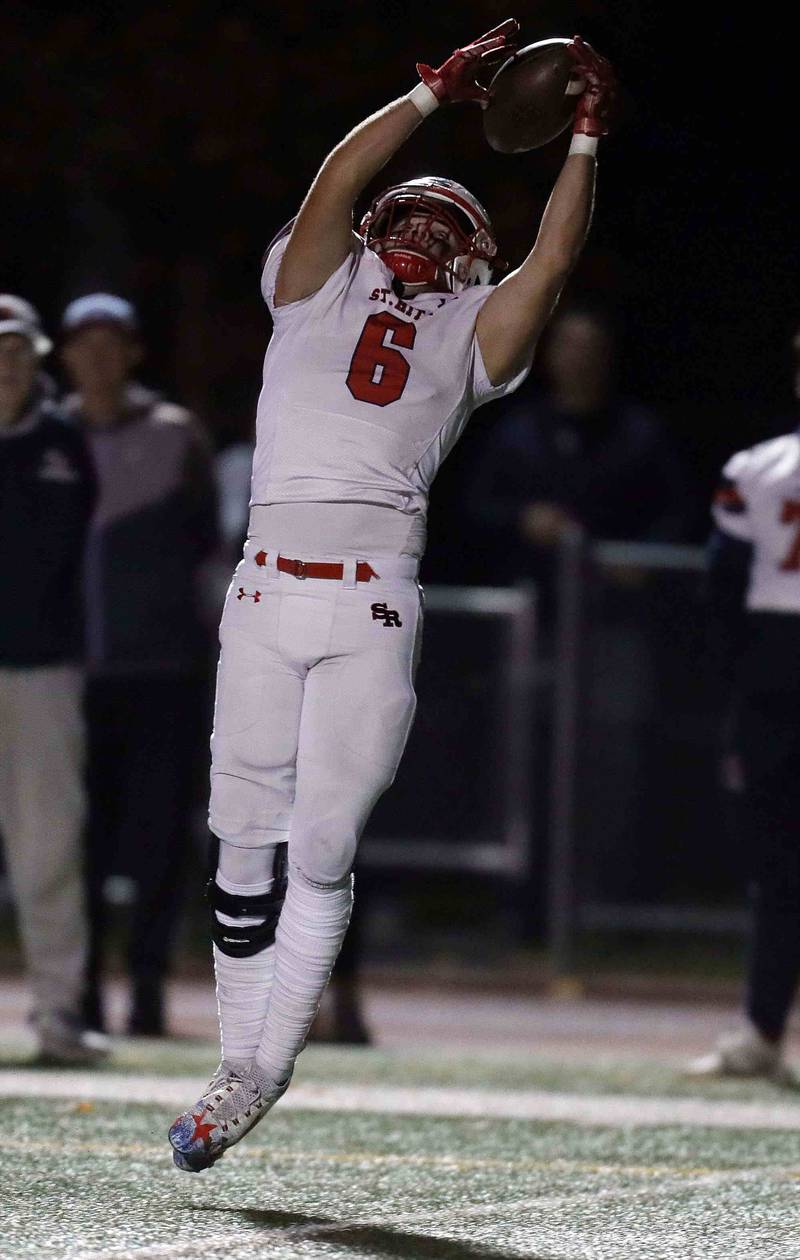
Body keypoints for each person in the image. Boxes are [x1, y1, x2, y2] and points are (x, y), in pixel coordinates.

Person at [168, 22, 616, 1172]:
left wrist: (579, 144)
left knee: (318, 846)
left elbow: (551, 268)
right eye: (405, 211)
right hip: (264, 589)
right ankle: (237, 1065)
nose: (419, 226)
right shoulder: (311, 286)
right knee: (237, 832)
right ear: (374, 233)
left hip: (370, 602)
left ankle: (266, 1067)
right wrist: (424, 98)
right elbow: (334, 181)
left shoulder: (472, 328)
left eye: (445, 219)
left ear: (470, 257)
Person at [60, 293, 219, 1037]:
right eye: (82, 344)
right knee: (76, 841)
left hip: (164, 673)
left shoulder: (175, 435)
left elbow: (208, 555)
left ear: (132, 353)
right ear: (65, 355)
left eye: (109, 343)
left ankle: (149, 985)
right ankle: (82, 988)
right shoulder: (47, 436)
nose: (95, 358)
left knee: (159, 839)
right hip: (71, 674)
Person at [688, 352, 800, 1083]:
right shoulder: (758, 466)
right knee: (778, 865)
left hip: (777, 669)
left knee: (780, 866)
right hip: (775, 673)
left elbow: (721, 584)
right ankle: (761, 1027)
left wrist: (735, 672)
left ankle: (762, 1028)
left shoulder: (761, 466)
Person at [0, 295, 105, 1065]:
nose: (5, 365)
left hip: (41, 668)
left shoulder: (65, 441)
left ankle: (59, 1013)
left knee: (48, 848)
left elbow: (51, 562)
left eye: (15, 350)